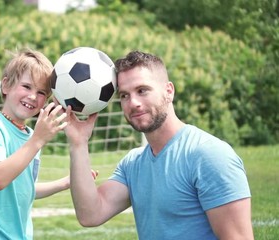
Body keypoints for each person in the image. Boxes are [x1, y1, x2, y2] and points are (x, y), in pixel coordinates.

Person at [64, 50, 254, 239]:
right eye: (124, 95)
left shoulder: (209, 155)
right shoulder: (133, 164)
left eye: (142, 90)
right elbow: (90, 214)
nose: (134, 103)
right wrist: (79, 143)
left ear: (169, 91)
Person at [0, 48, 70, 240]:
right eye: (27, 86)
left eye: (41, 92)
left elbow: (24, 189)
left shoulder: (30, 136)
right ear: (6, 85)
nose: (32, 96)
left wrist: (65, 183)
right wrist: (38, 140)